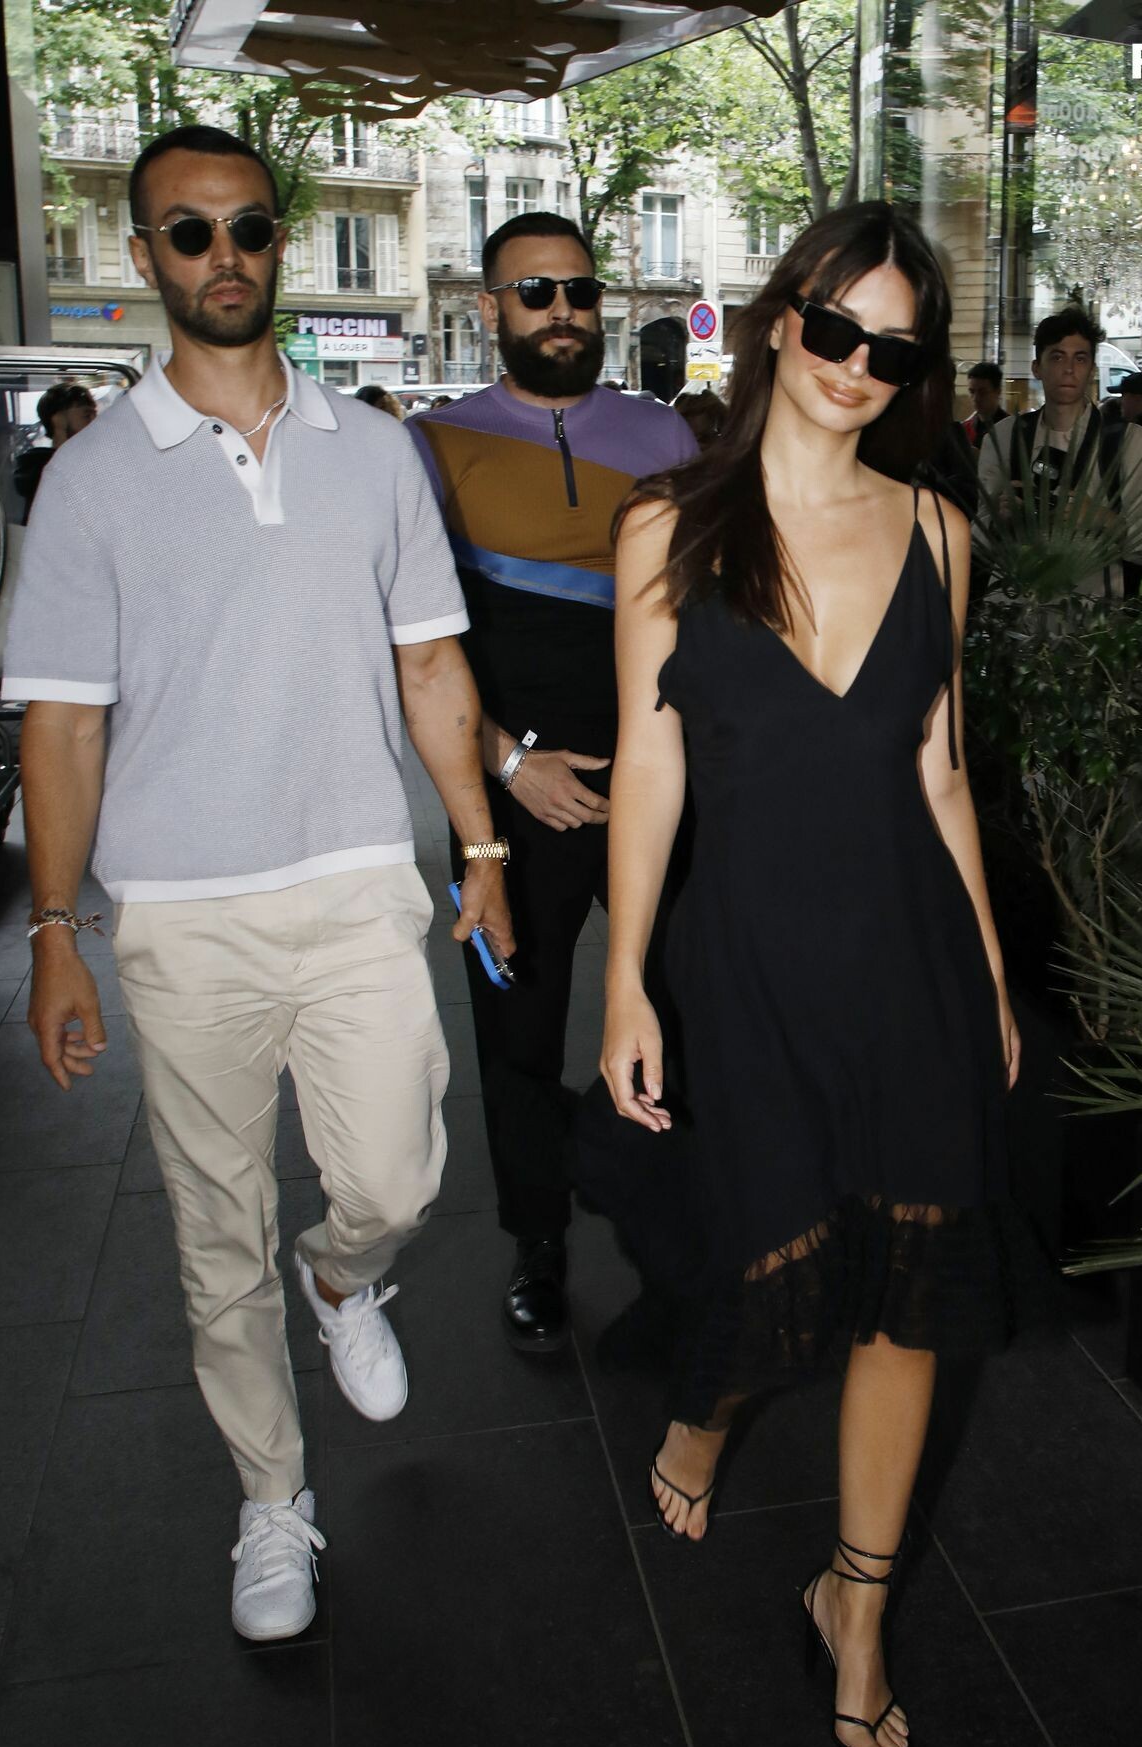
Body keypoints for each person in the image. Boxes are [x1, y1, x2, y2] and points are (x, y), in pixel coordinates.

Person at [2, 125, 512, 1643]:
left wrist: (482, 850)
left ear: (279, 243)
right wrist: (54, 930)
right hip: (182, 913)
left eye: (246, 227)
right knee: (210, 1228)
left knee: (396, 1180)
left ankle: (343, 1280)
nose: (222, 255)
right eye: (188, 231)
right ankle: (272, 1501)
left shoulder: (374, 450)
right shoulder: (92, 480)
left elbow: (433, 666)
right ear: (145, 254)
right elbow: (62, 724)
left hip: (357, 882)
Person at [603, 201, 1020, 1747]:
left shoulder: (940, 536)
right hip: (746, 960)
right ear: (784, 319)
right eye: (836, 329)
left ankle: (856, 1600)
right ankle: (705, 1414)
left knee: (905, 1294)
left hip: (908, 957)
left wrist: (990, 977)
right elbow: (650, 767)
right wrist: (626, 980)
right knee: (762, 1253)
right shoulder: (667, 528)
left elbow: (943, 772)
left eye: (892, 350)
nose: (856, 366)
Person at [408, 212, 696, 1357]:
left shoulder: (662, 433)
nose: (562, 311)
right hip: (509, 796)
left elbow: (699, 609)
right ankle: (536, 1241)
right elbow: (407, 640)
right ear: (490, 309)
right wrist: (505, 763)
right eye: (535, 293)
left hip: (657, 777)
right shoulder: (432, 445)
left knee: (682, 1006)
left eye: (578, 290)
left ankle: (676, 1228)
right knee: (515, 1032)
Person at [977, 306, 1142, 600]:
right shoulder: (1004, 437)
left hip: (1090, 615)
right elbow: (975, 537)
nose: (1069, 369)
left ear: (1091, 369)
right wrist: (998, 520)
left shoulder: (1129, 442)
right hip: (1011, 609)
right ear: (1037, 367)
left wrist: (1102, 520)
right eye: (1057, 357)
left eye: (1080, 358)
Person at [14, 382, 97, 515]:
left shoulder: (95, 460)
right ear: (59, 420)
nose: (94, 422)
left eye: (95, 415)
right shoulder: (36, 468)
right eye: (86, 416)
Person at [962, 361, 1007, 448]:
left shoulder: (1011, 428)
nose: (976, 398)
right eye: (972, 392)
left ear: (998, 392)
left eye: (982, 392)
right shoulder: (964, 430)